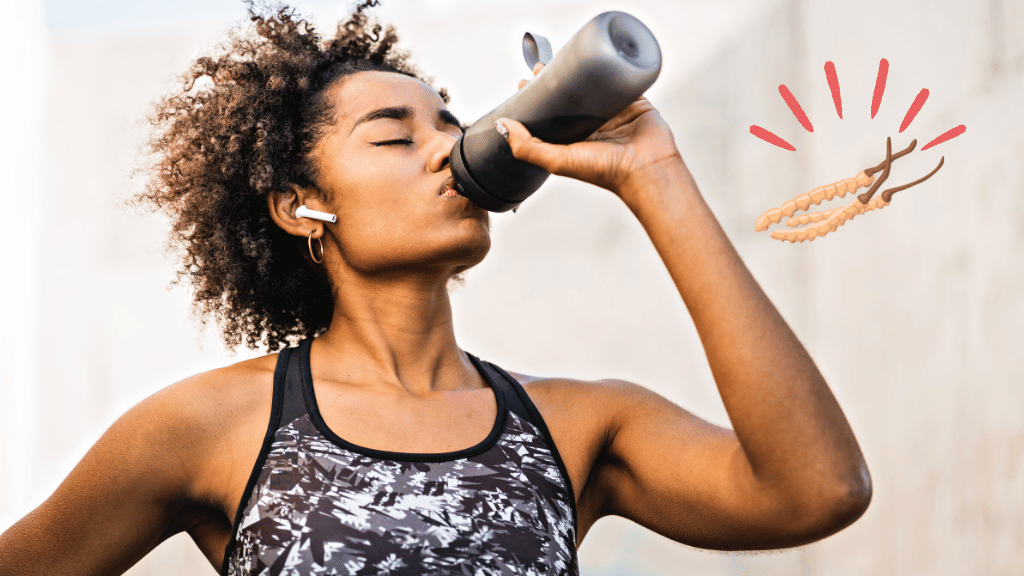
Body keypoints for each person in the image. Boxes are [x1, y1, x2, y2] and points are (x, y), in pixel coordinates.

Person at [0, 2, 871, 575]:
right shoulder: (211, 427)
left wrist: (657, 174)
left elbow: (818, 489)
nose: (446, 150)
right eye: (393, 137)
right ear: (302, 204)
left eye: (453, 126)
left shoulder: (577, 424)